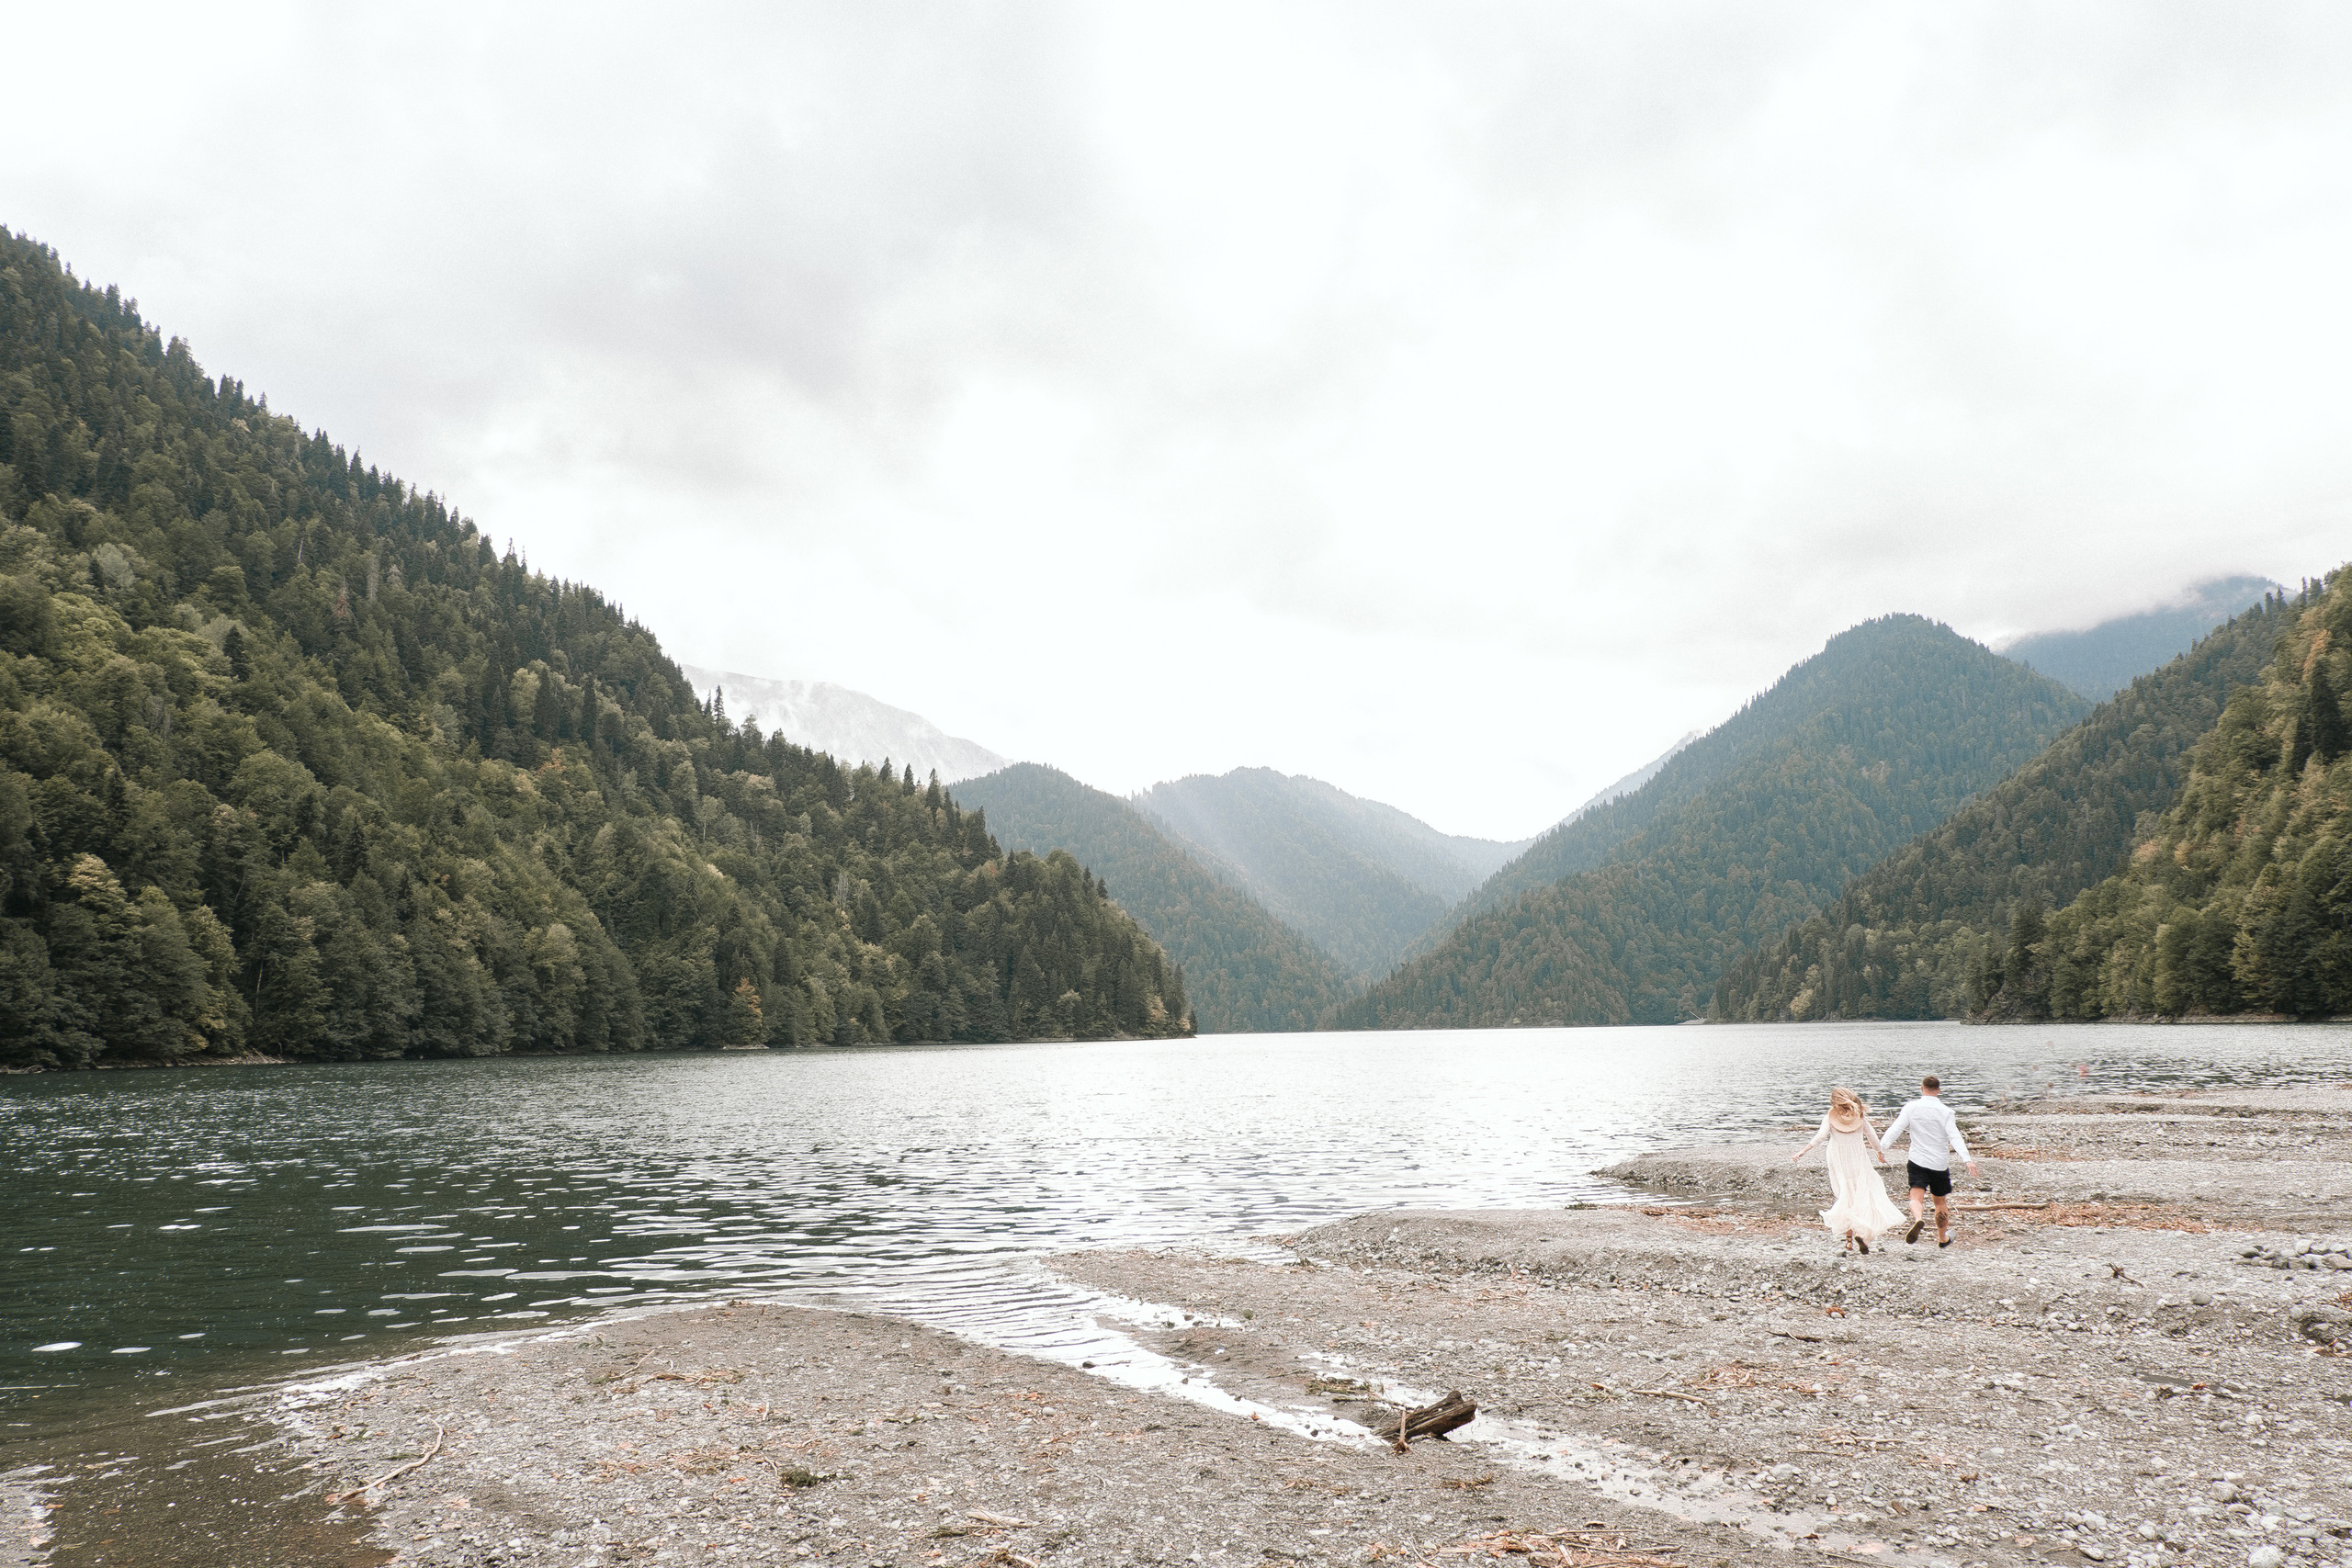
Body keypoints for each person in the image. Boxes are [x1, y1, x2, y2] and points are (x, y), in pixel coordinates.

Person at [1791, 1087, 1904, 1254]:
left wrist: (1803, 1151)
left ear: (1834, 1103)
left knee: (1845, 1196)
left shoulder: (1830, 1117)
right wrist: (1879, 1153)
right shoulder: (1859, 1116)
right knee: (1862, 1195)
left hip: (1839, 1161)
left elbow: (1820, 1137)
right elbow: (1872, 1136)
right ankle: (1860, 1234)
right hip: (1858, 1160)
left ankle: (1849, 1241)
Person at [1882, 1074, 1980, 1247]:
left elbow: (1896, 1128)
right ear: (1939, 1090)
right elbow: (1954, 1136)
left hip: (1917, 1159)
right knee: (1940, 1201)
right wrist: (1967, 1159)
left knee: (1915, 1195)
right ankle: (1942, 1238)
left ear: (1922, 1088)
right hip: (1939, 1163)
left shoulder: (1911, 1107)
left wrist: (1882, 1148)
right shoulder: (1946, 1112)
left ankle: (1918, 1219)